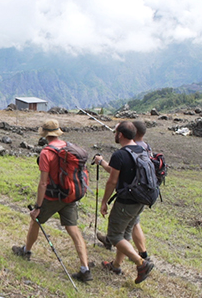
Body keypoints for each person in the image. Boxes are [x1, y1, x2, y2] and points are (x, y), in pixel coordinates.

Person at [12, 119, 92, 282]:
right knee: (74, 230)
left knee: (35, 221)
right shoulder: (69, 147)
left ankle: (26, 251)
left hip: (53, 196)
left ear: (45, 135)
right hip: (70, 194)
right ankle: (85, 269)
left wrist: (38, 207)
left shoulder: (46, 153)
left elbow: (43, 183)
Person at [94, 121, 154, 283]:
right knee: (125, 234)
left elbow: (112, 181)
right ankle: (116, 265)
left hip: (126, 201)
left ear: (120, 135)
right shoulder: (143, 150)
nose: (115, 135)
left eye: (115, 132)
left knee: (114, 236)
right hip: (140, 199)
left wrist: (104, 201)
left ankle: (141, 263)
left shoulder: (120, 155)